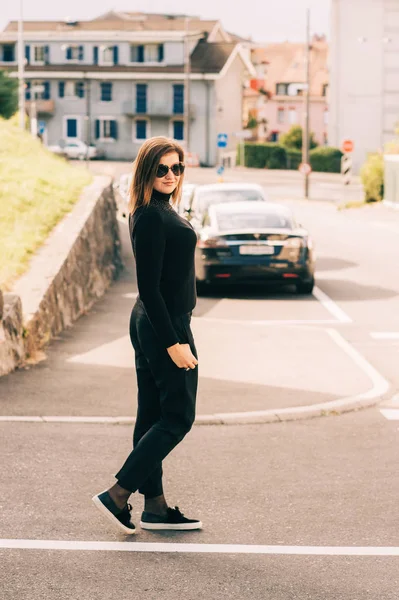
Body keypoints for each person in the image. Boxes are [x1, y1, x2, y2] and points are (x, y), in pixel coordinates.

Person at [92, 136, 201, 533]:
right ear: (146, 172)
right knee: (177, 417)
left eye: (177, 167)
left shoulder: (157, 210)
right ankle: (117, 494)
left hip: (155, 322)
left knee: (153, 415)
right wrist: (174, 342)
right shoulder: (152, 217)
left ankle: (155, 506)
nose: (170, 175)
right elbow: (149, 287)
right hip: (164, 325)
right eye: (162, 169)